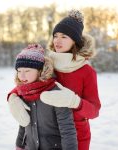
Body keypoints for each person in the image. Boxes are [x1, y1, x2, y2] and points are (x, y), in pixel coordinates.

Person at [39, 10, 101, 150]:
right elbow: (28, 83)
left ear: (75, 41)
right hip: (48, 133)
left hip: (77, 135)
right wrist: (13, 96)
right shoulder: (47, 64)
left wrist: (74, 101)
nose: (57, 40)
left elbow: (94, 110)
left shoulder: (87, 71)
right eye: (55, 36)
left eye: (64, 36)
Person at [7, 44, 77, 150]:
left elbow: (67, 129)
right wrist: (19, 145)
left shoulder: (55, 93)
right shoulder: (23, 93)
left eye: (27, 71)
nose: (22, 76)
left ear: (40, 70)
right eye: (19, 71)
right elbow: (23, 123)